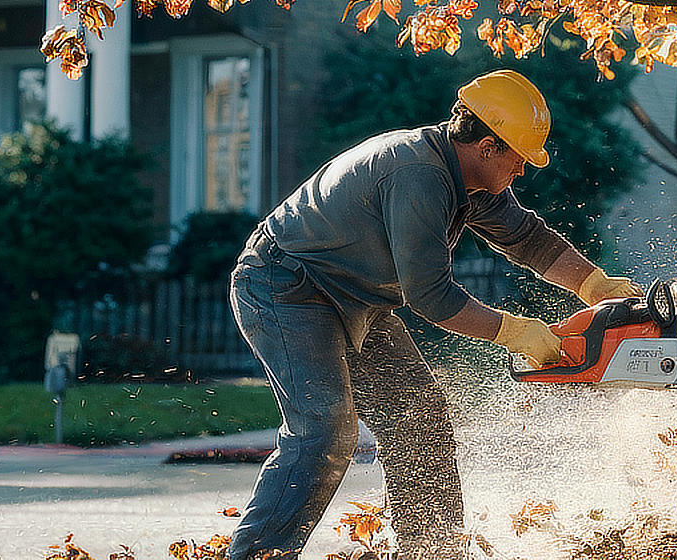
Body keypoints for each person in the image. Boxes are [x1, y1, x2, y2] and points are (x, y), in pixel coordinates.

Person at [226, 69, 639, 560]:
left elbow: (526, 237)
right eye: (519, 159)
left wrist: (594, 284)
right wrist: (514, 331)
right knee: (325, 431)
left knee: (420, 418)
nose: (523, 171)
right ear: (487, 146)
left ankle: (432, 552)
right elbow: (431, 297)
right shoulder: (418, 174)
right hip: (287, 287)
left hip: (358, 299)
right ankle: (257, 555)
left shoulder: (468, 178)